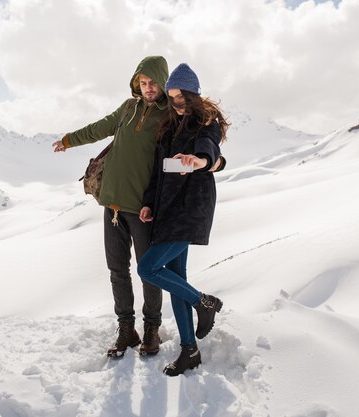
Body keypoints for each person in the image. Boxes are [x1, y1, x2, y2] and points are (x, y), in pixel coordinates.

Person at [52, 56, 170, 358]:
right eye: (143, 83)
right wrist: (69, 140)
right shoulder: (127, 109)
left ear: (163, 82)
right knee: (117, 270)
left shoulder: (167, 116)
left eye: (153, 82)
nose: (148, 88)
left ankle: (151, 330)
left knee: (149, 272)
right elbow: (99, 128)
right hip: (113, 205)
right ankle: (126, 329)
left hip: (142, 209)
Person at [137, 63, 230, 376]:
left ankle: (203, 302)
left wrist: (201, 161)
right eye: (172, 97)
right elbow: (157, 170)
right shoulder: (168, 125)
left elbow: (210, 149)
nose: (175, 103)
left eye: (180, 98)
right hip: (166, 208)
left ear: (192, 96)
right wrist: (149, 203)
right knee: (177, 279)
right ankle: (189, 350)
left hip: (190, 207)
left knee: (147, 268)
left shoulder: (206, 121)